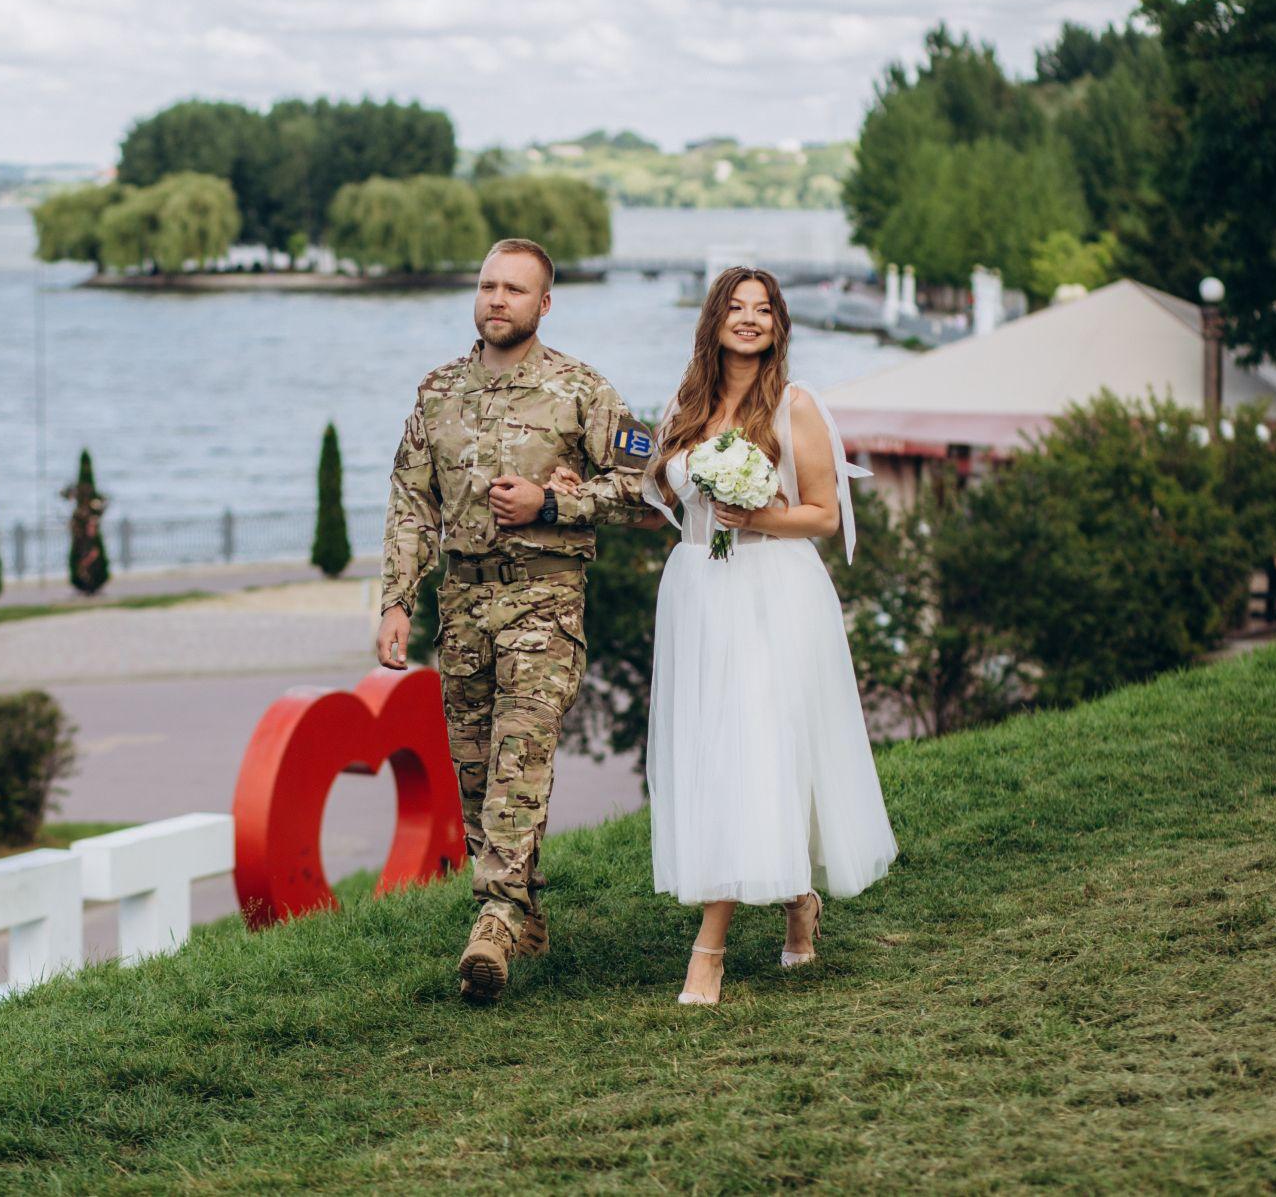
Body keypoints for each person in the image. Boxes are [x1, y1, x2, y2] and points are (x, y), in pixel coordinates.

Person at [554, 266, 896, 1006]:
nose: (748, 319)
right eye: (735, 308)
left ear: (777, 325)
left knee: (757, 745)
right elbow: (665, 500)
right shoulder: (689, 404)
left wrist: (758, 516)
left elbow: (824, 516)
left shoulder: (795, 405)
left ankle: (707, 950)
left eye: (762, 309)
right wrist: (569, 492)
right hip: (699, 590)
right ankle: (796, 902)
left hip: (771, 587)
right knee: (720, 750)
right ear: (713, 322)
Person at [376, 237, 651, 1004]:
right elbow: (411, 502)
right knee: (473, 774)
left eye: (516, 290)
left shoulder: (582, 391)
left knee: (516, 764)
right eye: (489, 286)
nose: (498, 300)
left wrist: (554, 502)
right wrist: (398, 600)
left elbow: (649, 486)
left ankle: (493, 920)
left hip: (544, 602)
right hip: (461, 607)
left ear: (544, 304)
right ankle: (525, 912)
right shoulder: (437, 392)